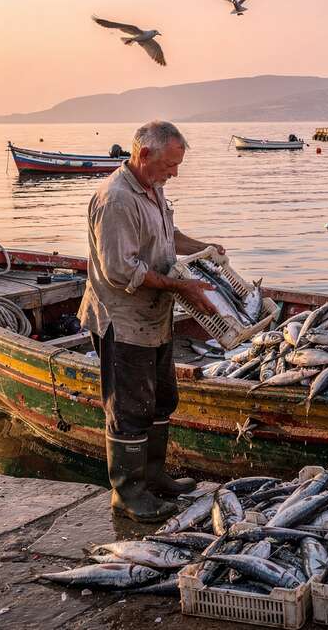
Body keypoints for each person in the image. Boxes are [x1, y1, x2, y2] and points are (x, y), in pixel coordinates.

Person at [78, 120, 225, 521]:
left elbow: (169, 236)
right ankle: (127, 494)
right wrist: (181, 288)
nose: (174, 174)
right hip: (122, 321)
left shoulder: (152, 188)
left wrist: (205, 247)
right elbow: (120, 271)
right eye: (170, 165)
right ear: (144, 155)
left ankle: (154, 475)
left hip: (155, 319)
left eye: (177, 166)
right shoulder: (117, 200)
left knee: (162, 399)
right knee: (129, 408)